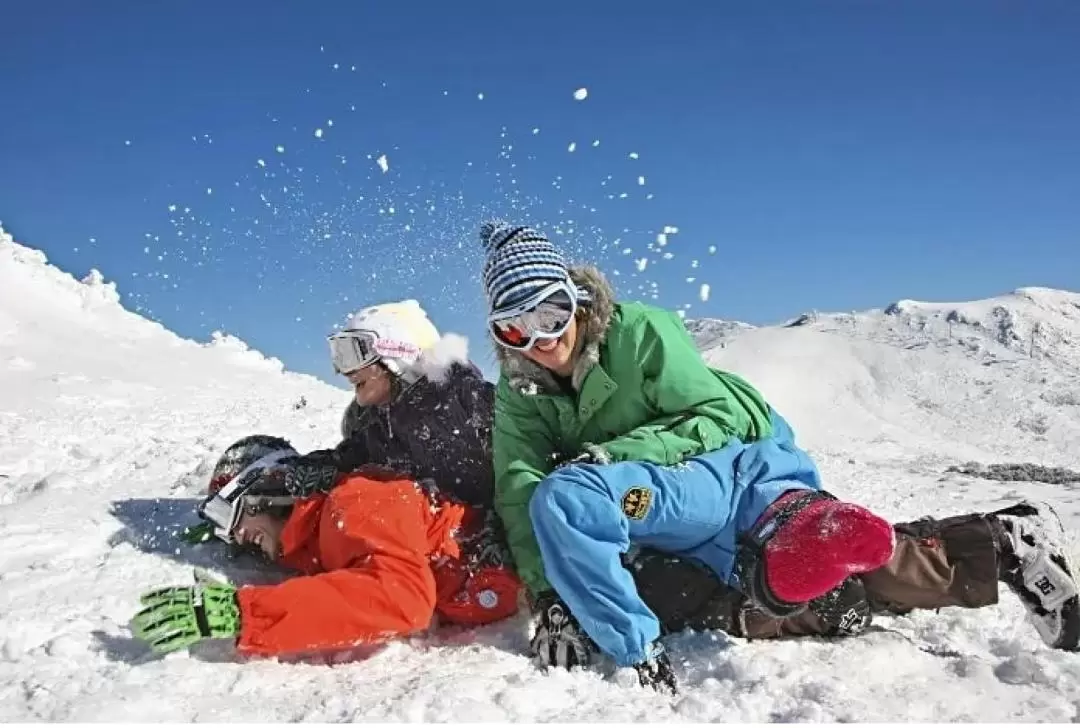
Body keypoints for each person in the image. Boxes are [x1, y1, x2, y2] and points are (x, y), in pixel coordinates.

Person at [478, 220, 1080, 694]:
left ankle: (957, 545)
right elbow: (519, 484)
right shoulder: (520, 387)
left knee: (773, 535)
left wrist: (609, 456)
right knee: (716, 585)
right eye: (515, 329)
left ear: (578, 301)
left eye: (552, 313)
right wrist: (550, 596)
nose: (541, 339)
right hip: (652, 511)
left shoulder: (640, 334)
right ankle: (974, 549)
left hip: (727, 462)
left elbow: (718, 418)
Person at [132, 435, 522, 658]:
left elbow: (403, 598)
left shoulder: (355, 500)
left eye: (228, 515)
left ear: (265, 487)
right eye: (219, 527)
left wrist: (246, 612)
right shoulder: (316, 538)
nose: (233, 535)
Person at [276, 299, 497, 508]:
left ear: (398, 352)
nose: (345, 371)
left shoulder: (465, 398)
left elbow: (523, 458)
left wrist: (496, 526)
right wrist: (320, 466)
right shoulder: (379, 425)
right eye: (340, 357)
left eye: (353, 354)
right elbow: (351, 457)